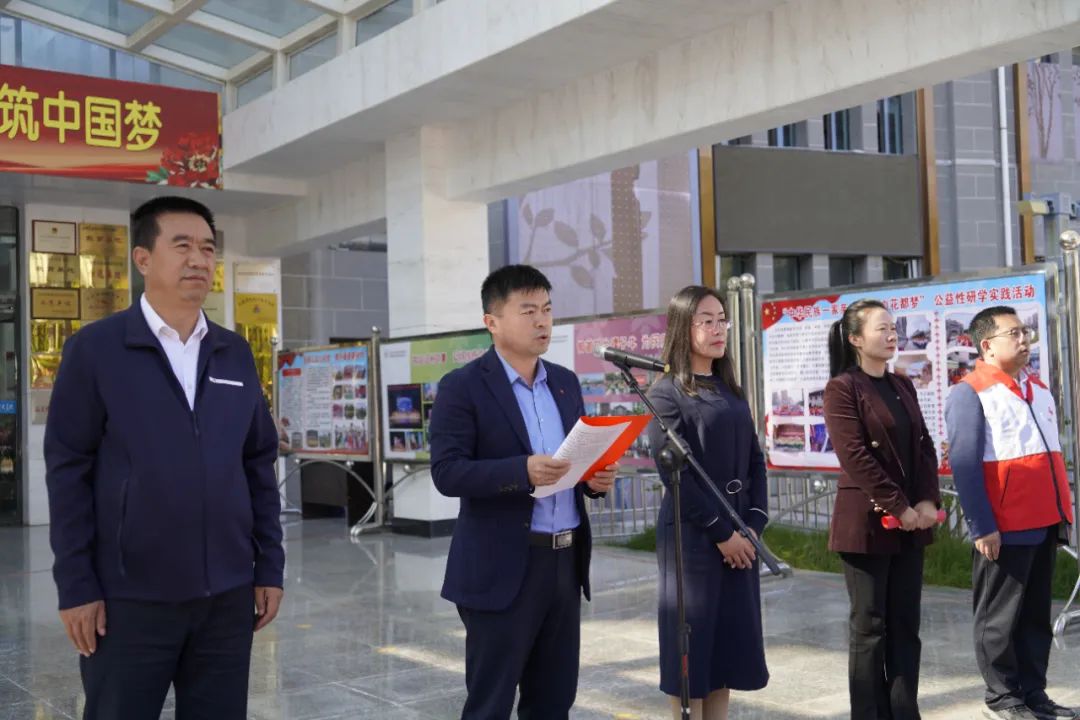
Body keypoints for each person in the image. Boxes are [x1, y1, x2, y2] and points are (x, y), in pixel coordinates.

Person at [44, 196, 284, 720]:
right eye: (182, 246)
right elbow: (68, 471)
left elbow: (257, 463)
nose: (199, 259)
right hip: (129, 601)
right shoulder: (97, 349)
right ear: (143, 259)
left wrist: (269, 565)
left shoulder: (234, 353)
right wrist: (77, 585)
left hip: (226, 596)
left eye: (208, 248)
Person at [429, 264, 618, 719]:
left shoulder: (564, 382)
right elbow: (448, 473)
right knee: (490, 704)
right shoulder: (462, 387)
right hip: (502, 567)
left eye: (547, 310)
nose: (542, 321)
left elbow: (574, 459)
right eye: (528, 310)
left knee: (553, 701)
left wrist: (593, 480)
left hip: (564, 564)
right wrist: (522, 471)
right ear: (491, 321)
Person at [945, 306, 1076, 720]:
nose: (1024, 339)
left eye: (1025, 332)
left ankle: (1033, 693)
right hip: (1005, 525)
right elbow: (964, 465)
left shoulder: (1037, 389)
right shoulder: (970, 392)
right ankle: (1001, 698)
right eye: (1013, 333)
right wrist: (982, 526)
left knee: (1035, 617)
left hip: (1045, 519)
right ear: (987, 345)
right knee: (998, 619)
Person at [646, 285, 769, 720]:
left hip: (740, 535)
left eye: (722, 320)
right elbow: (673, 472)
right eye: (707, 321)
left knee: (725, 653)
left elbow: (755, 461)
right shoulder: (665, 393)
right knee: (691, 655)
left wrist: (752, 526)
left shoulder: (730, 388)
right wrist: (722, 534)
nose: (719, 329)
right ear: (684, 327)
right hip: (692, 539)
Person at [822, 299, 941, 720]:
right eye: (882, 328)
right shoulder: (842, 388)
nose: (892, 335)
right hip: (867, 524)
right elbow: (855, 456)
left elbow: (924, 446)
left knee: (906, 625)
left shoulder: (902, 384)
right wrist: (899, 506)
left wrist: (925, 501)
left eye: (894, 328)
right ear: (856, 339)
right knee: (870, 627)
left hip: (911, 522)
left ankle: (905, 711)